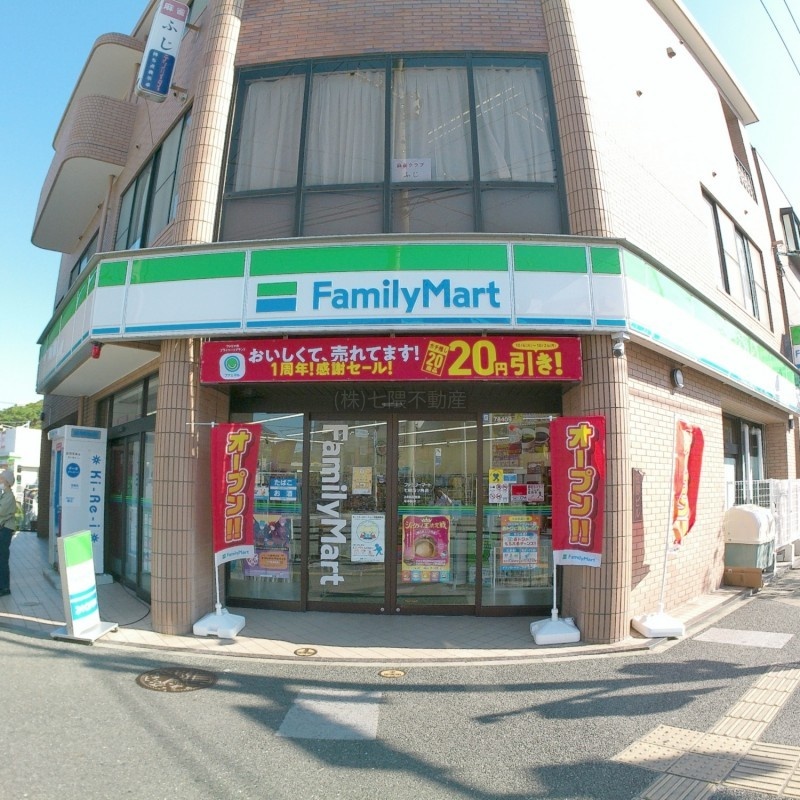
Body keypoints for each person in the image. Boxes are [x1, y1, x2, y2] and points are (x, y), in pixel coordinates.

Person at [0, 469, 17, 597]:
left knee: (3, 558)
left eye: (1, 478)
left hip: (5, 529)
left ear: (7, 481)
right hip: (3, 528)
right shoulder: (4, 494)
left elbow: (1, 511)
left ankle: (5, 587)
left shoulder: (9, 496)